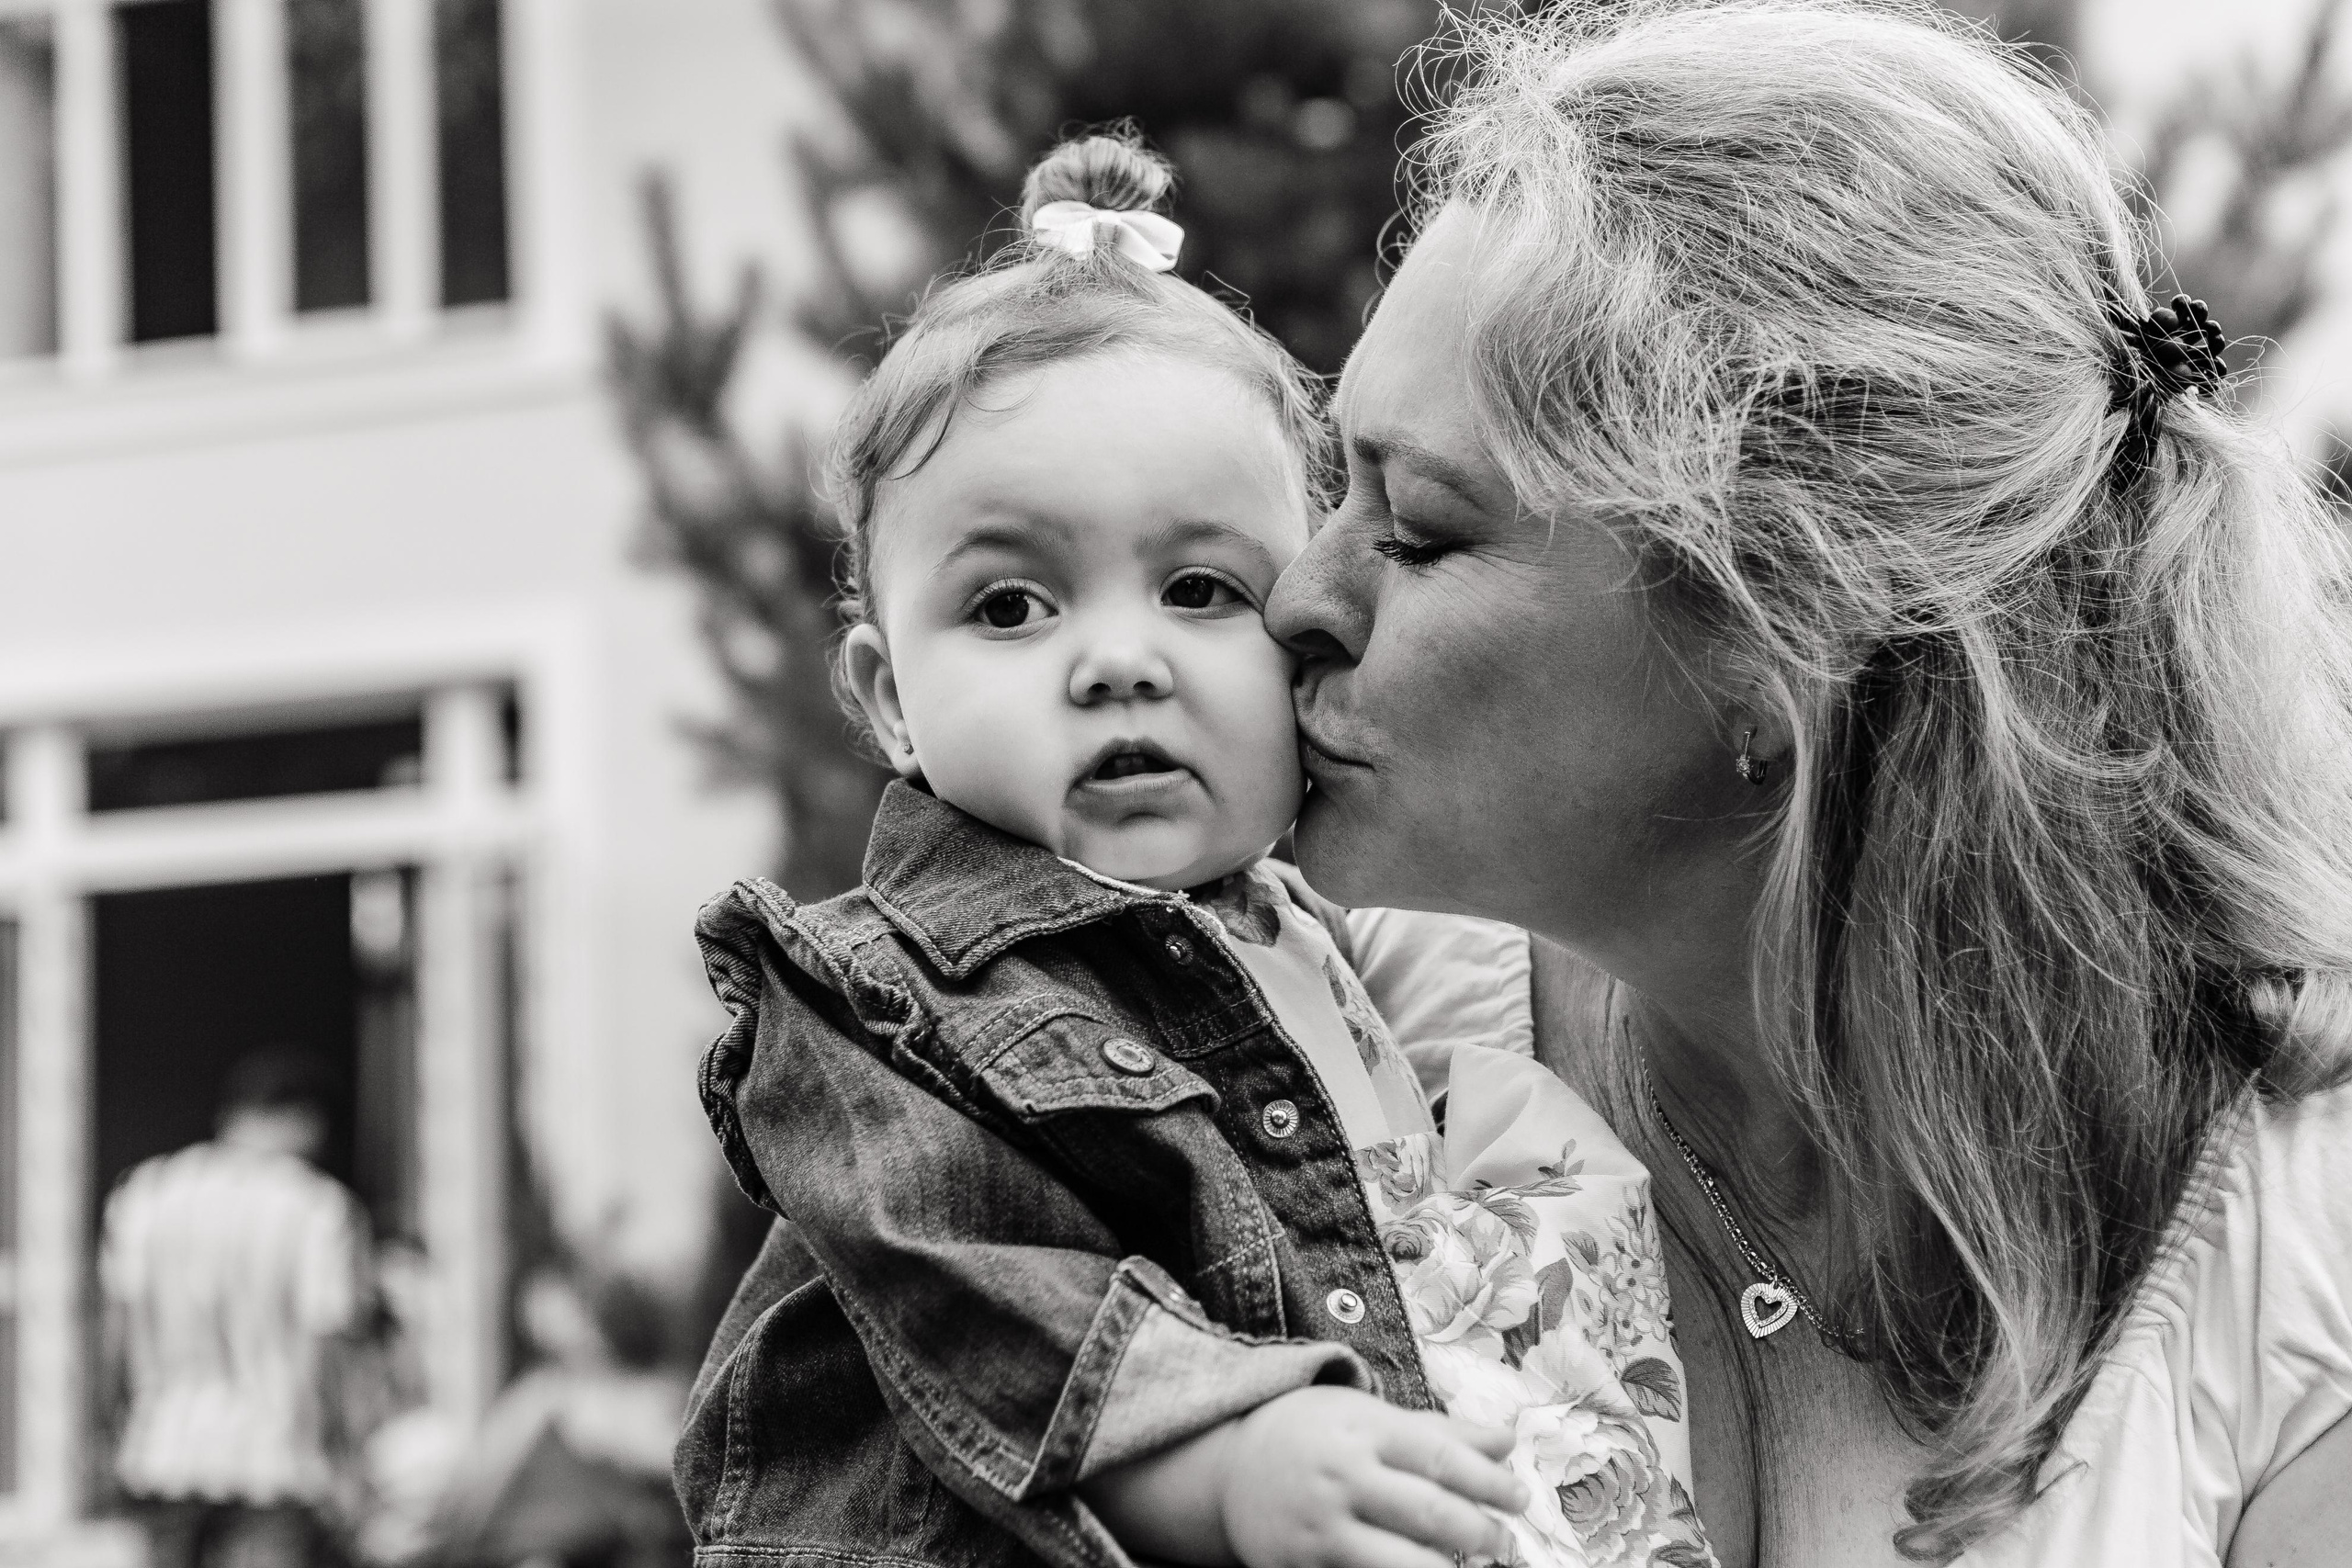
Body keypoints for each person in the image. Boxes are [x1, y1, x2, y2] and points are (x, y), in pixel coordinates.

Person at [1259, 2, 2352, 1563]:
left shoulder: (2301, 1268)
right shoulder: (1316, 1031)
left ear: (1784, 633)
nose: (1300, 596)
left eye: (1421, 530)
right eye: (1330, 483)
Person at [679, 130, 1719, 1568]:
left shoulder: (1314, 925)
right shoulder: (884, 993)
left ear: (1299, 627)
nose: (1117, 660)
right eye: (1008, 607)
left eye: (1198, 586)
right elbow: (978, 1294)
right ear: (886, 700)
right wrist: (1231, 1458)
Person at [101, 1050, 372, 1568]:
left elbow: (118, 1330)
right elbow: (328, 1348)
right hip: (276, 1455)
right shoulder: (317, 1209)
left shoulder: (145, 1193)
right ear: (302, 1119)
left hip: (164, 1445)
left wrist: (106, 1426)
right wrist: (347, 1455)